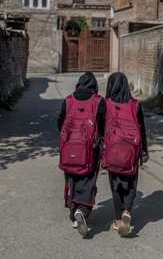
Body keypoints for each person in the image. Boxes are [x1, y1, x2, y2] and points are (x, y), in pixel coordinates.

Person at [57, 72, 106, 237]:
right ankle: (82, 211)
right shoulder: (98, 101)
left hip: (69, 147)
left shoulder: (68, 100)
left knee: (72, 178)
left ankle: (73, 210)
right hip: (90, 149)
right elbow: (102, 125)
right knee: (88, 179)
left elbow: (60, 122)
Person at [102, 72, 148, 237]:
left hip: (112, 151)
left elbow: (100, 129)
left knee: (116, 186)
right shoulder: (135, 105)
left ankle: (116, 219)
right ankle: (127, 211)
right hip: (131, 153)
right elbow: (142, 130)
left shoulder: (105, 104)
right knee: (131, 185)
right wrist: (144, 152)